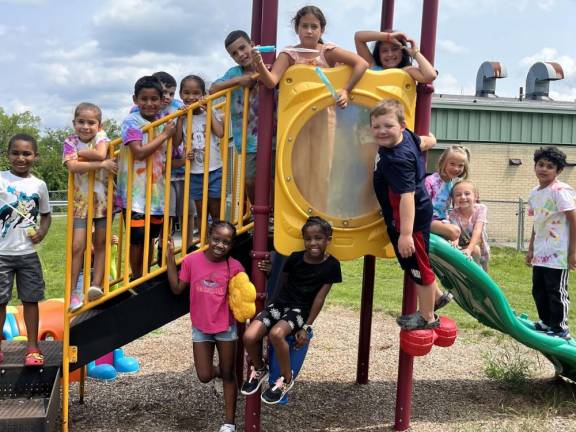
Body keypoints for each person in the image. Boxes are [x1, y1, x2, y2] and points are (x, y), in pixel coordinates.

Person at [251, 5, 368, 210]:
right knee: (299, 170)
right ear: (297, 28)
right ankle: (299, 214)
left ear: (321, 30)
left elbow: (362, 64)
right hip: (296, 121)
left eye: (314, 26)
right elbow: (271, 81)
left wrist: (346, 90)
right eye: (304, 26)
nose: (309, 31)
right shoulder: (290, 54)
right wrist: (259, 63)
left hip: (325, 117)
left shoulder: (328, 51)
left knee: (324, 169)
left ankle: (320, 214)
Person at [241, 216, 342, 404]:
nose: (313, 243)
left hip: (300, 310)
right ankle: (260, 368)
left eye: (318, 238)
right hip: (280, 304)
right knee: (248, 336)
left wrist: (307, 326)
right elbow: (283, 283)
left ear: (328, 239)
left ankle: (286, 380)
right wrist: (270, 272)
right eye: (308, 238)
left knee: (277, 334)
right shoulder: (295, 258)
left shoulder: (332, 266)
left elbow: (320, 298)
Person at [371, 99, 450, 330]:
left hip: (408, 220)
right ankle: (436, 297)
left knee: (418, 268)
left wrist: (405, 234)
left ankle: (428, 318)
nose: (382, 131)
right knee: (415, 263)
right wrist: (432, 140)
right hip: (414, 215)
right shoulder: (407, 139)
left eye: (388, 126)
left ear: (402, 126)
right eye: (376, 126)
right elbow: (427, 141)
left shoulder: (397, 159)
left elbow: (406, 197)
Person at [166, 220, 243, 432]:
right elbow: (176, 288)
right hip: (200, 327)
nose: (220, 245)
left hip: (226, 328)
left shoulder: (235, 267)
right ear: (208, 237)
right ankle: (222, 370)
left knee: (229, 374)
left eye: (226, 242)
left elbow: (244, 296)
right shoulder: (192, 261)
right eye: (216, 239)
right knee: (204, 375)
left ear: (232, 245)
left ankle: (229, 423)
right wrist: (170, 258)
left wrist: (267, 270)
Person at [115, 76, 176, 279]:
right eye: (144, 99)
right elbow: (139, 152)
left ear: (161, 100)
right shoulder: (131, 121)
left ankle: (145, 276)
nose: (149, 104)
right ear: (135, 99)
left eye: (154, 99)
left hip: (156, 193)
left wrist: (179, 119)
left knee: (150, 237)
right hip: (135, 195)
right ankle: (137, 277)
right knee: (137, 238)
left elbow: (177, 143)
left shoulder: (164, 121)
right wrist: (164, 135)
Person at [0, 134, 52, 366]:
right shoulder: (1, 179)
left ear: (35, 156)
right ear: (8, 155)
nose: (21, 158)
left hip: (27, 255)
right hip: (1, 254)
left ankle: (32, 348)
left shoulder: (38, 185)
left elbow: (46, 215)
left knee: (31, 300)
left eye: (27, 153)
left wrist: (42, 232)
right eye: (16, 153)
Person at [63, 103, 118, 311]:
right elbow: (73, 166)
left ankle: (96, 285)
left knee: (102, 242)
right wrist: (100, 164)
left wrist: (82, 154)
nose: (86, 126)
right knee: (78, 245)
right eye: (81, 122)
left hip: (103, 201)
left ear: (99, 124)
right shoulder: (69, 140)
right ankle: (74, 292)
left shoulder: (101, 135)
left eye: (91, 122)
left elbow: (102, 152)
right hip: (80, 202)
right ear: (74, 123)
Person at [526, 146, 576, 340]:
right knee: (538, 288)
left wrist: (573, 252)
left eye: (550, 166)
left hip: (559, 251)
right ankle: (546, 322)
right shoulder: (535, 192)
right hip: (541, 250)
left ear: (558, 171)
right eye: (540, 164)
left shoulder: (560, 191)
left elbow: (573, 219)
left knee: (556, 290)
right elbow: (537, 222)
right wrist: (530, 249)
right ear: (535, 166)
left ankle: (560, 328)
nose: (544, 169)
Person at [210, 30, 260, 205]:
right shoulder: (234, 73)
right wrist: (239, 81)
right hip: (248, 140)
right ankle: (256, 213)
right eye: (234, 53)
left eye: (242, 48)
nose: (240, 54)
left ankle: (271, 216)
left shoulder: (267, 65)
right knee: (249, 180)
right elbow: (213, 89)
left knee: (273, 178)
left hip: (275, 136)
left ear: (252, 44)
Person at [175, 75, 224, 245]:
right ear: (180, 94)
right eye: (186, 93)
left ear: (203, 94)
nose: (191, 97)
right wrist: (179, 119)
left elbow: (220, 133)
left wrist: (209, 109)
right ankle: (204, 244)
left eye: (196, 93)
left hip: (214, 169)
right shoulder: (181, 116)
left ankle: (218, 243)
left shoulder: (209, 111)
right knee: (202, 214)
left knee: (216, 212)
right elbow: (176, 142)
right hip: (195, 172)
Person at [424, 145, 470, 242]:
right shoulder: (430, 181)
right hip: (428, 220)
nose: (456, 168)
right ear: (443, 163)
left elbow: (449, 208)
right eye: (452, 164)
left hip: (442, 220)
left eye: (460, 165)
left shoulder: (451, 184)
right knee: (455, 231)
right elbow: (422, 206)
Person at [354, 30, 437, 83]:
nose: (390, 54)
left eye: (394, 49)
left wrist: (415, 53)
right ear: (378, 54)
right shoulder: (372, 66)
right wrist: (387, 37)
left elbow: (430, 76)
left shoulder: (406, 71)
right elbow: (358, 37)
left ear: (402, 51)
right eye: (384, 51)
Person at [448, 180, 490, 271]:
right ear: (453, 199)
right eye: (458, 195)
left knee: (476, 251)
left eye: (467, 193)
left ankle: (478, 276)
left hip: (479, 246)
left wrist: (469, 249)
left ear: (476, 196)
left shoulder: (481, 209)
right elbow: (456, 231)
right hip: (462, 246)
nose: (463, 197)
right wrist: (454, 242)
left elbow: (477, 230)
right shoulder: (453, 214)